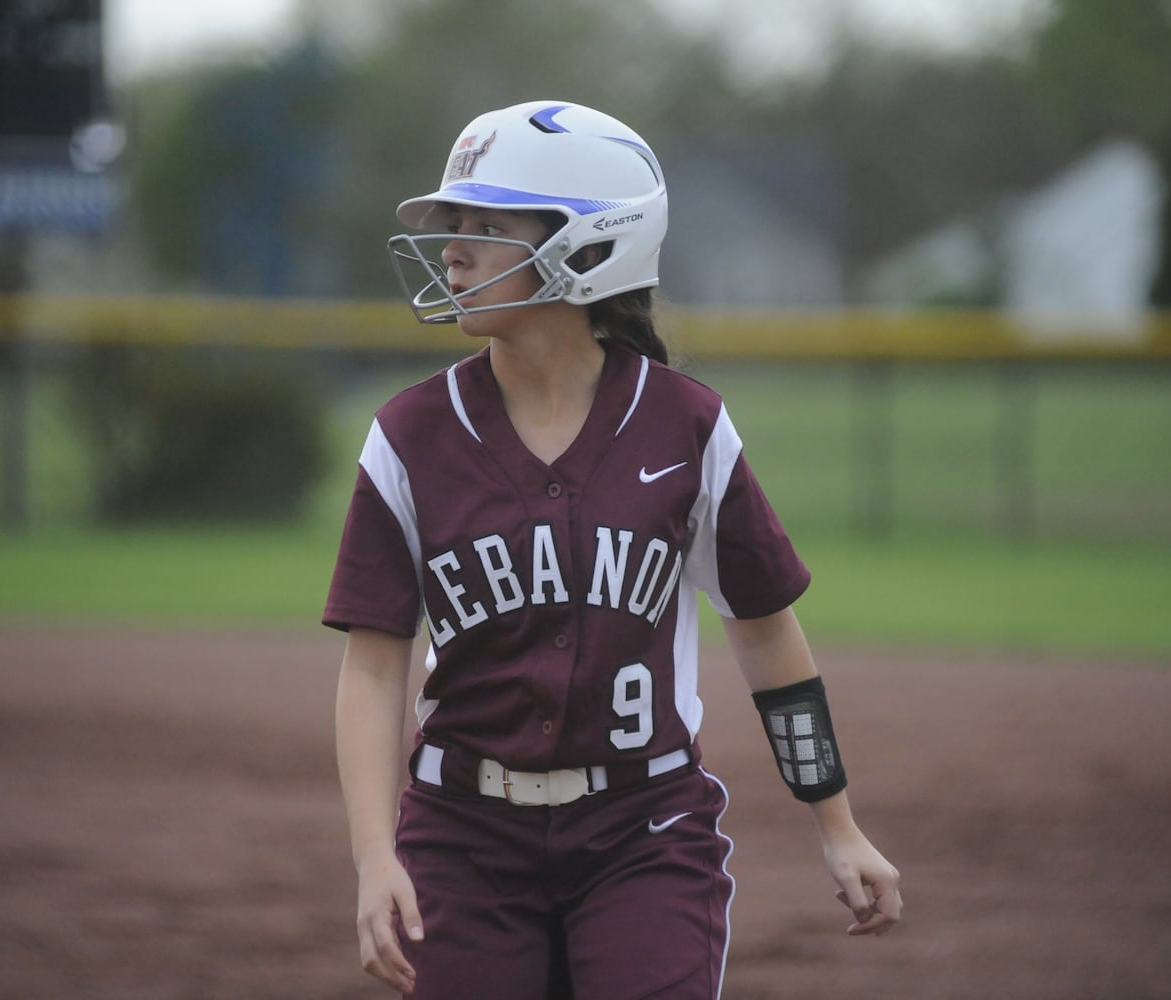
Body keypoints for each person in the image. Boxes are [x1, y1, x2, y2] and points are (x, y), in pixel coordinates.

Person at [325, 100, 901, 999]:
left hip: (646, 832)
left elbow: (765, 635)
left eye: (487, 226)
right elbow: (372, 669)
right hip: (461, 836)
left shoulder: (686, 424)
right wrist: (372, 859)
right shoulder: (407, 437)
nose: (454, 250)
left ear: (588, 246)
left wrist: (837, 822)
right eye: (455, 226)